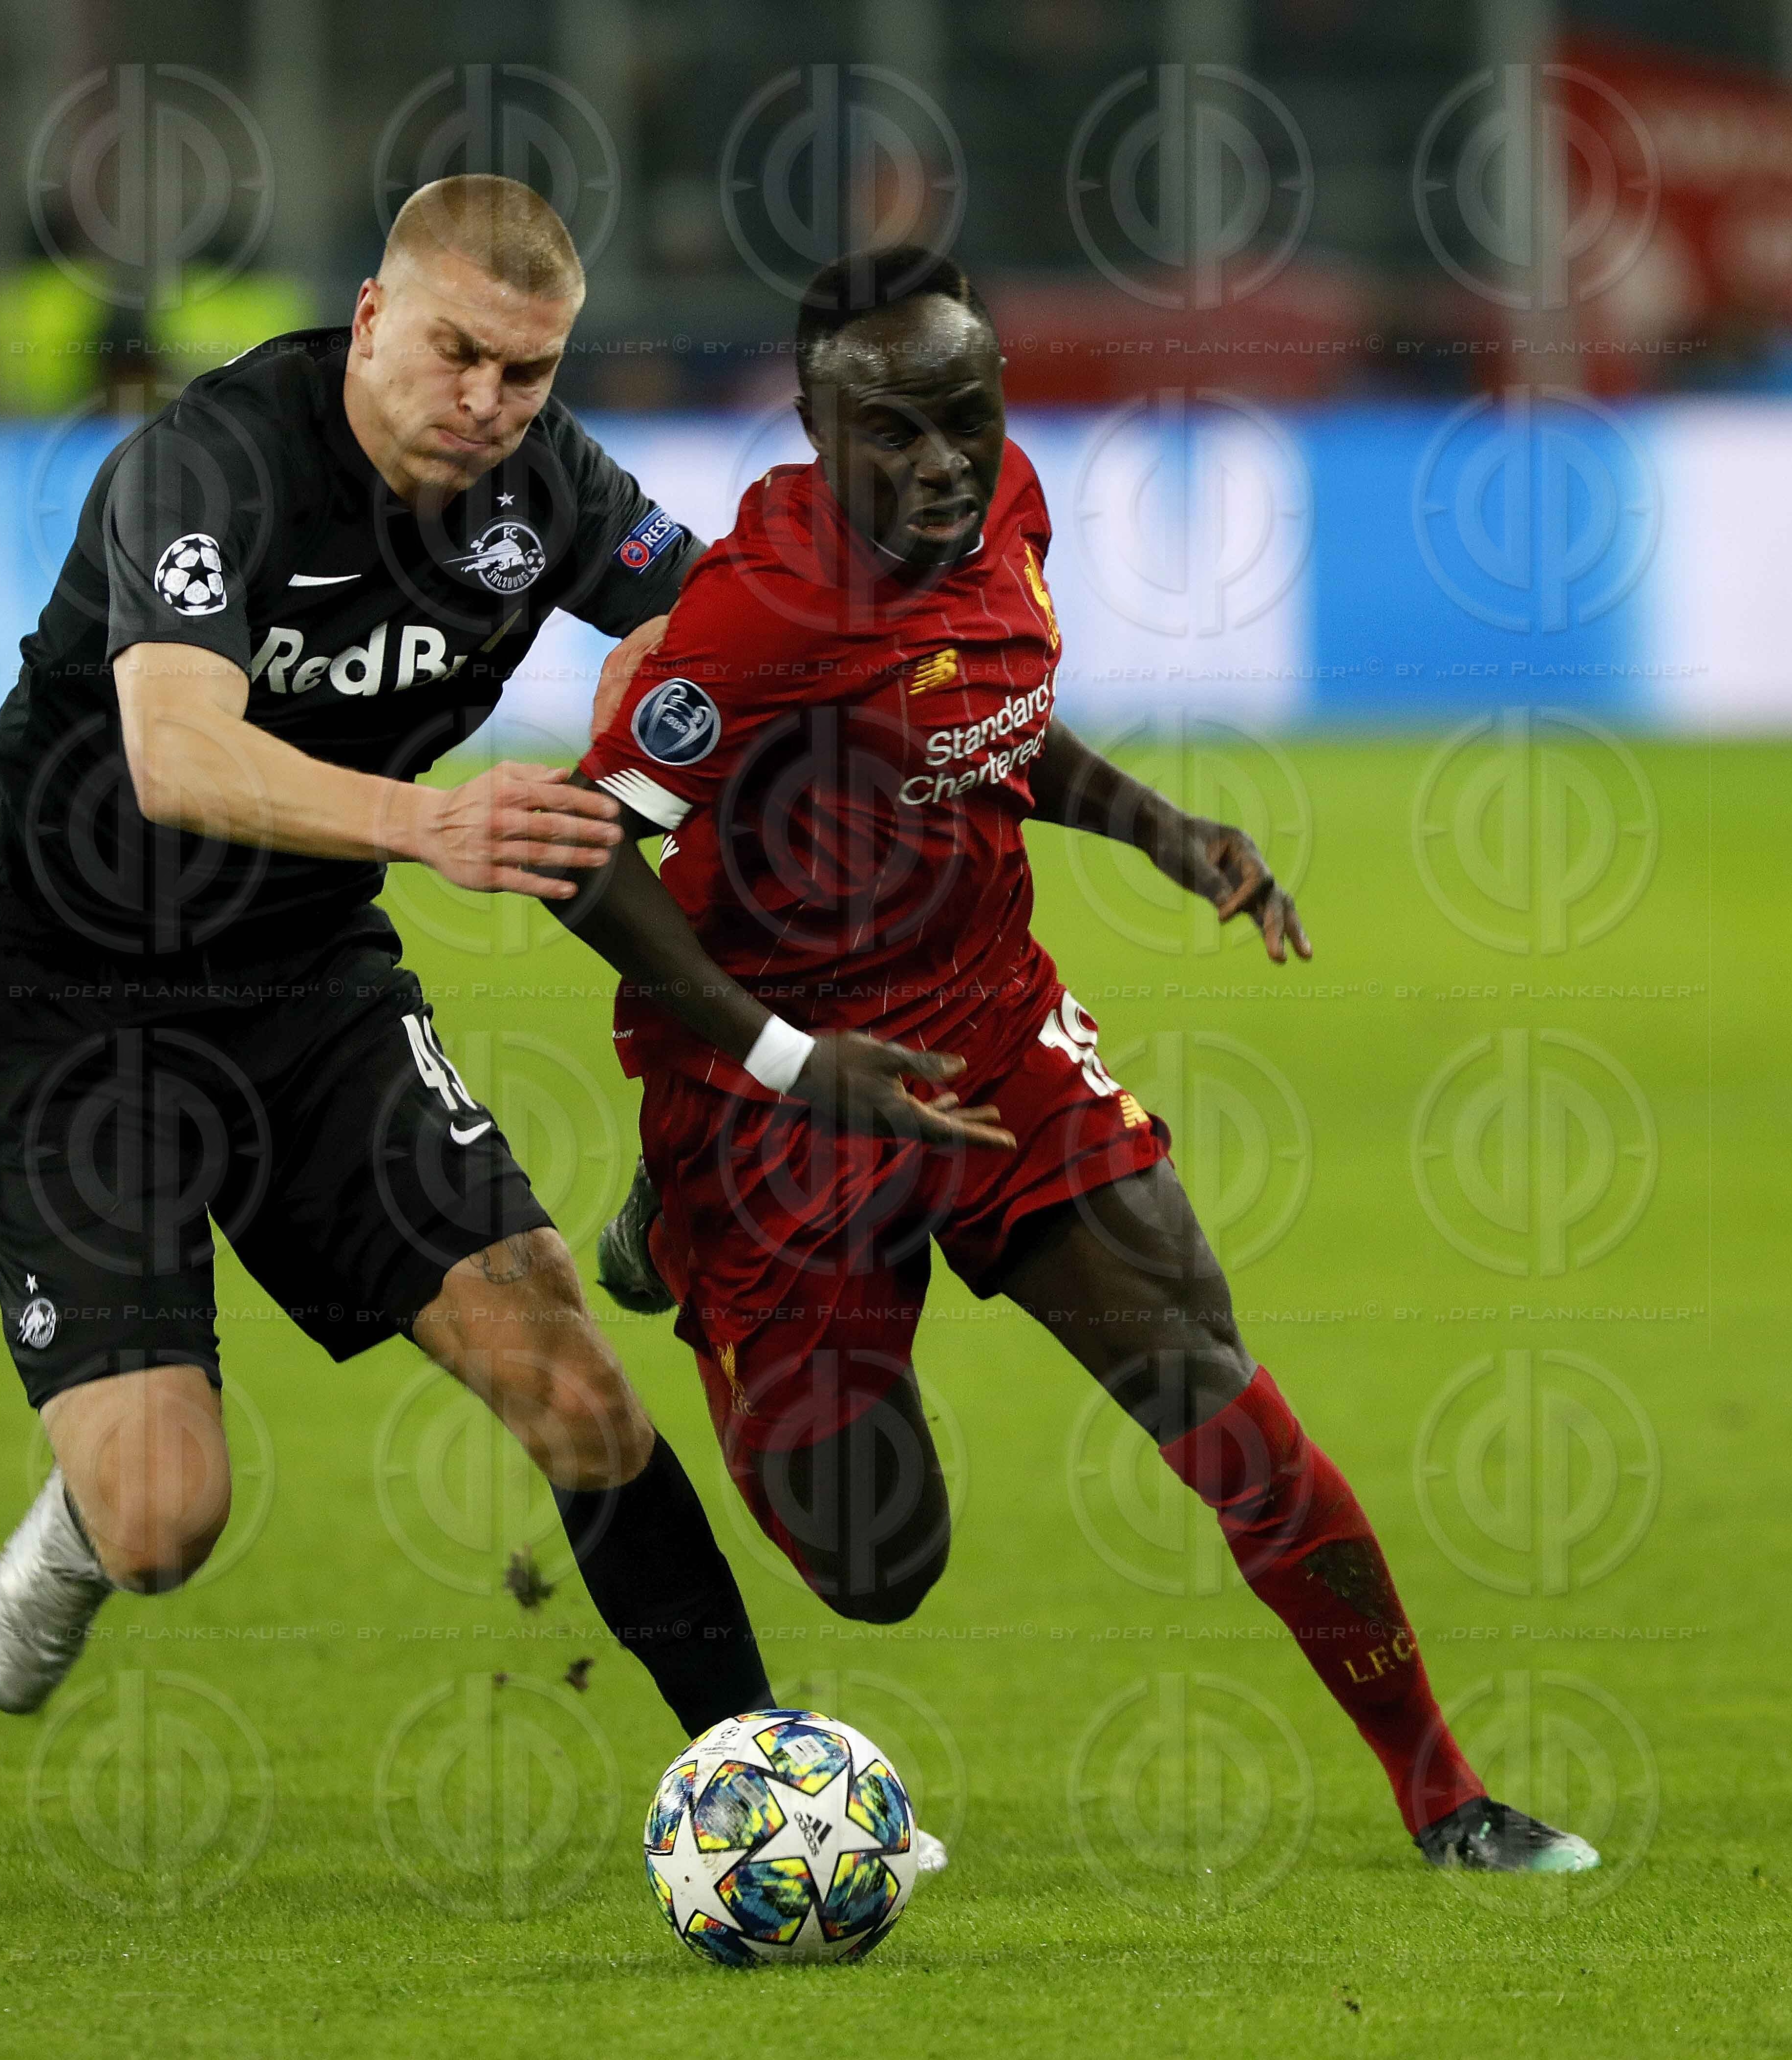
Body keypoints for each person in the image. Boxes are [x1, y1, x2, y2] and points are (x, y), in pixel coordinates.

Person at [549, 246, 1598, 1874]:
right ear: (823, 433)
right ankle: (678, 1238)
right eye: (894, 432)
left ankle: (1448, 1799)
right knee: (879, 1567)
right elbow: (587, 853)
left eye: (965, 416)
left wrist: (1167, 831)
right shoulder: (755, 618)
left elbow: (992, 727)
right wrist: (775, 1055)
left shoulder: (1012, 507)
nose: (942, 461)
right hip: (785, 1097)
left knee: (1210, 1379)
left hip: (985, 1024)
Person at [0, 175, 775, 1747]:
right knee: (164, 1526)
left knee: (575, 1383)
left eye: (528, 373)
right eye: (456, 353)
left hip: (308, 984)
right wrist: (430, 823)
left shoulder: (548, 490)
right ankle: (87, 1506)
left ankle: (767, 1769)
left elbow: (727, 625)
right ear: (375, 318)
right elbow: (177, 754)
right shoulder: (209, 463)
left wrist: (681, 708)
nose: (488, 403)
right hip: (75, 1008)